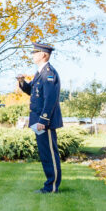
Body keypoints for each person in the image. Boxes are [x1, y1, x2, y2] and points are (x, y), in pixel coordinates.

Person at [17, 42, 63, 194]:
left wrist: (43, 120)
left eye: (35, 53)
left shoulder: (49, 73)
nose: (33, 55)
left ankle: (52, 186)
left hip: (45, 122)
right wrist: (22, 82)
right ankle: (49, 185)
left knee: (50, 153)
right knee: (45, 154)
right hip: (38, 121)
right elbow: (32, 91)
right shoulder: (40, 73)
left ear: (44, 55)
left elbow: (50, 99)